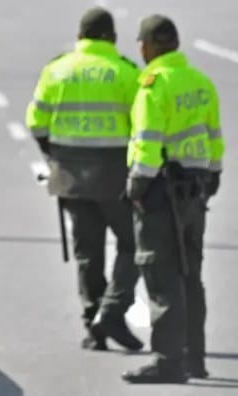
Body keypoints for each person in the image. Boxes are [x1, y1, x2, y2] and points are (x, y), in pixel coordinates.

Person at [24, 7, 143, 352]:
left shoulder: (56, 69)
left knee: (87, 252)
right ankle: (111, 312)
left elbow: (36, 122)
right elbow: (142, 125)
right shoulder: (125, 72)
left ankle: (94, 324)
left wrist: (54, 156)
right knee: (133, 245)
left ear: (80, 37)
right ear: (112, 38)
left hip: (71, 177)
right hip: (117, 176)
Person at [122, 15, 223, 384]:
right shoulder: (200, 81)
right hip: (195, 190)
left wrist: (136, 185)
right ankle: (195, 358)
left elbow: (148, 142)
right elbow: (214, 137)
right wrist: (213, 174)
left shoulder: (153, 85)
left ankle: (168, 362)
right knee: (190, 275)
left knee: (161, 275)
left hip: (161, 191)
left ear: (147, 46)